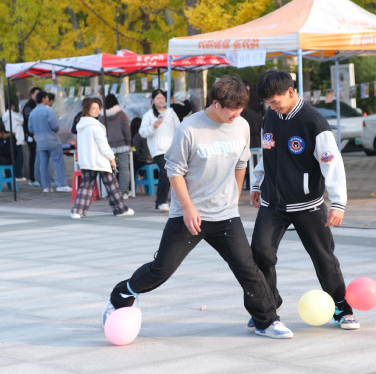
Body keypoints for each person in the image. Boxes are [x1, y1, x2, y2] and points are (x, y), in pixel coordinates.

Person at [103, 76, 293, 340]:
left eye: (241, 109)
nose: (237, 115)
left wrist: (234, 197)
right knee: (161, 269)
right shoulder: (189, 129)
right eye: (233, 110)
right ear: (216, 104)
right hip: (189, 216)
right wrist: (188, 208)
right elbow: (174, 171)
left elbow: (241, 164)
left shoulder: (240, 125)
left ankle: (266, 320)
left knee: (248, 268)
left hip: (225, 214)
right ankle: (120, 296)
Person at [249, 70, 359, 330]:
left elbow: (332, 164)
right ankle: (268, 306)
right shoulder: (270, 116)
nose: (272, 106)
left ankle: (342, 308)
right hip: (272, 204)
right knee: (260, 254)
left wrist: (338, 203)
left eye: (275, 101)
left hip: (307, 205)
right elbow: (266, 153)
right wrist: (257, 182)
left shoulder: (314, 122)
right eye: (268, 103)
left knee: (323, 257)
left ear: (290, 92)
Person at [71, 98, 134, 219]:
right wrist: (111, 158)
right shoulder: (95, 126)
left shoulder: (81, 125)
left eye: (98, 108)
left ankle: (77, 211)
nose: (96, 111)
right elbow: (103, 145)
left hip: (87, 161)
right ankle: (120, 209)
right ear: (87, 110)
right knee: (112, 185)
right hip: (99, 160)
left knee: (86, 186)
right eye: (93, 108)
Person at [138, 89, 180, 211]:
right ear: (153, 100)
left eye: (162, 98)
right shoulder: (148, 115)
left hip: (172, 148)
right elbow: (142, 132)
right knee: (165, 172)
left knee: (173, 173)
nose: (161, 100)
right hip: (158, 150)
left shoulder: (171, 112)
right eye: (158, 98)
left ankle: (161, 201)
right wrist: (153, 126)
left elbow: (179, 127)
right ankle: (162, 201)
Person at [28, 91, 72, 193]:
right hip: (52, 140)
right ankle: (62, 184)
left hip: (40, 142)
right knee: (59, 162)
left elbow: (30, 129)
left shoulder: (32, 113)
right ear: (43, 99)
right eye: (47, 98)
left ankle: (46, 187)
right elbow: (55, 126)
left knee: (43, 164)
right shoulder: (48, 111)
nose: (48, 100)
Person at [102, 94, 132, 199]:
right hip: (122, 144)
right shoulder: (122, 114)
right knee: (124, 169)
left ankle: (111, 192)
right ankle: (124, 192)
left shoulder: (102, 115)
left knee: (108, 169)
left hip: (107, 146)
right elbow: (126, 130)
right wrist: (128, 142)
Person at [23, 87, 41, 186]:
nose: (38, 96)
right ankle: (33, 178)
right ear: (32, 95)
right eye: (36, 94)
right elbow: (29, 118)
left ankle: (37, 177)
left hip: (36, 135)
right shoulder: (29, 106)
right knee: (33, 156)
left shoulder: (37, 105)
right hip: (30, 135)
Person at [2, 102, 25, 180]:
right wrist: (21, 113)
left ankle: (10, 175)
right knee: (18, 159)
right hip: (17, 138)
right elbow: (22, 120)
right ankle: (18, 175)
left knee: (10, 159)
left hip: (9, 138)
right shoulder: (14, 115)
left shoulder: (4, 115)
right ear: (12, 106)